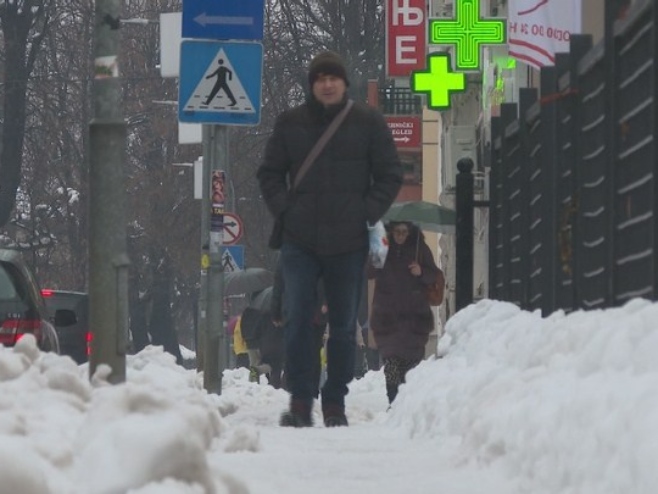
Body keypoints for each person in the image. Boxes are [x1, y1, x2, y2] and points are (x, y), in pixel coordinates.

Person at [257, 50, 403, 427]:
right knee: (298, 317)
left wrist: (365, 212)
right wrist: (285, 210)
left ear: (343, 82)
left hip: (348, 240)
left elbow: (390, 174)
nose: (326, 83)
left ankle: (335, 399)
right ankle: (301, 400)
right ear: (311, 84)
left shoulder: (367, 122)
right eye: (319, 78)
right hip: (299, 239)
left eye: (332, 77)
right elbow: (269, 174)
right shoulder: (290, 123)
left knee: (341, 326)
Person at [369, 222, 441, 406]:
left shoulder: (420, 249)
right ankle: (393, 402)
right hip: (388, 316)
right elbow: (368, 271)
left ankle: (407, 404)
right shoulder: (382, 246)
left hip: (413, 317)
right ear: (391, 232)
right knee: (391, 362)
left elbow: (434, 275)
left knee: (411, 364)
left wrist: (421, 271)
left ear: (410, 233)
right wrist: (375, 252)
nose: (400, 236)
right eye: (397, 232)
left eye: (404, 233)